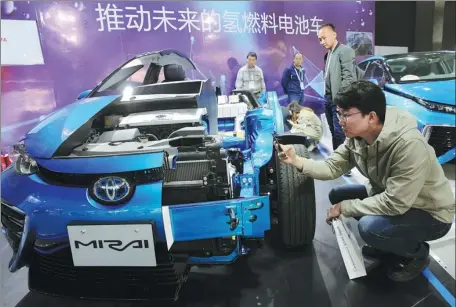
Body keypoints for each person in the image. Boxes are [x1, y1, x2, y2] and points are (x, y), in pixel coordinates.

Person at [277, 80, 455, 282]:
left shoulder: (408, 145)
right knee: (338, 195)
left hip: (430, 213)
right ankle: (389, 244)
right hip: (396, 198)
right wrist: (297, 160)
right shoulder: (357, 138)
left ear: (371, 117)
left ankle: (417, 253)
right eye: (339, 114)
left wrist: (346, 207)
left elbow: (395, 203)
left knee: (369, 228)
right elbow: (332, 167)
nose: (340, 121)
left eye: (346, 115)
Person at [318, 23, 357, 153]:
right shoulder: (327, 54)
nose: (322, 42)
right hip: (328, 98)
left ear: (334, 35)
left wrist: (341, 99)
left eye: (324, 38)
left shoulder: (345, 51)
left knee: (339, 132)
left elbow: (349, 78)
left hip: (338, 100)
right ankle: (338, 158)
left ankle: (342, 163)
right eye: (320, 39)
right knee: (333, 131)